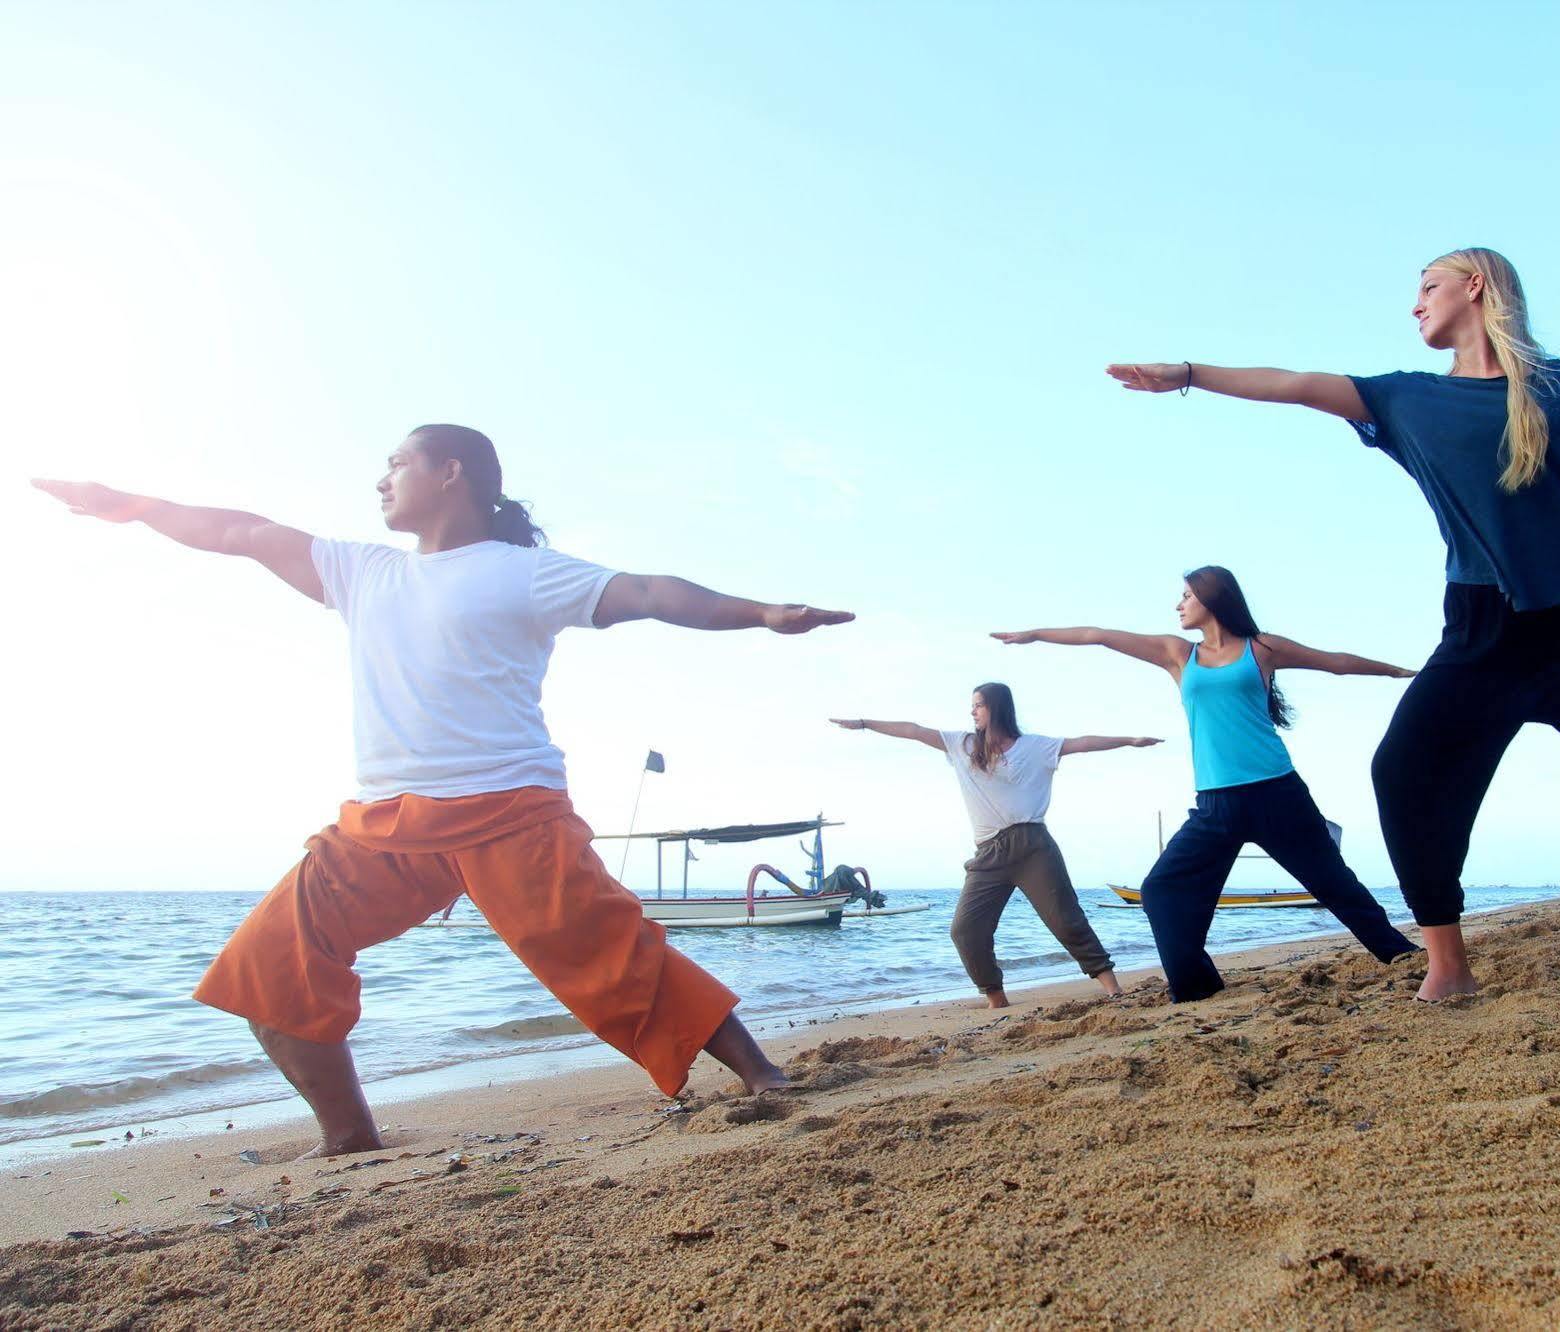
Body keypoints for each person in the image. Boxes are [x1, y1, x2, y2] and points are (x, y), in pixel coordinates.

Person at [31, 424, 852, 1156]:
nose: (381, 480)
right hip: (385, 826)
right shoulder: (359, 570)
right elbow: (241, 531)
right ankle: (350, 1138)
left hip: (510, 813)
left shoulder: (523, 575)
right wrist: (123, 504)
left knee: (608, 956)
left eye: (395, 463)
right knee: (269, 963)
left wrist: (760, 613)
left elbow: (645, 592)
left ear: (450, 472)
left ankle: (760, 1074)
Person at [1108, 247, 1560, 1000]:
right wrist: (1190, 375)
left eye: (1426, 285)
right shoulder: (1407, 399)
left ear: (1475, 287)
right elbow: (1297, 386)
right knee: (1403, 773)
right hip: (1482, 632)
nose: (1414, 303)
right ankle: (1446, 962)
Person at [993, 566, 1418, 1003]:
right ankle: (1196, 986)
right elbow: (1098, 635)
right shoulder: (1179, 654)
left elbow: (1335, 664)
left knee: (1334, 884)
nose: (1179, 605)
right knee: (1161, 891)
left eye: (1186, 596)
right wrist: (1035, 634)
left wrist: (1398, 672)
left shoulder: (1262, 648)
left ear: (1211, 598)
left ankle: (1404, 956)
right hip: (1215, 805)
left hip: (1278, 792)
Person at [831, 684, 1154, 1007]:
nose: (972, 712)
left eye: (979, 705)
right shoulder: (963, 744)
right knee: (965, 930)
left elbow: (1082, 743)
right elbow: (913, 731)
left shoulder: (1034, 747)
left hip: (1033, 848)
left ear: (997, 708)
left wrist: (1129, 741)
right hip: (988, 854)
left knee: (1066, 921)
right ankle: (996, 999)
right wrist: (864, 723)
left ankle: (1113, 990)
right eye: (972, 706)